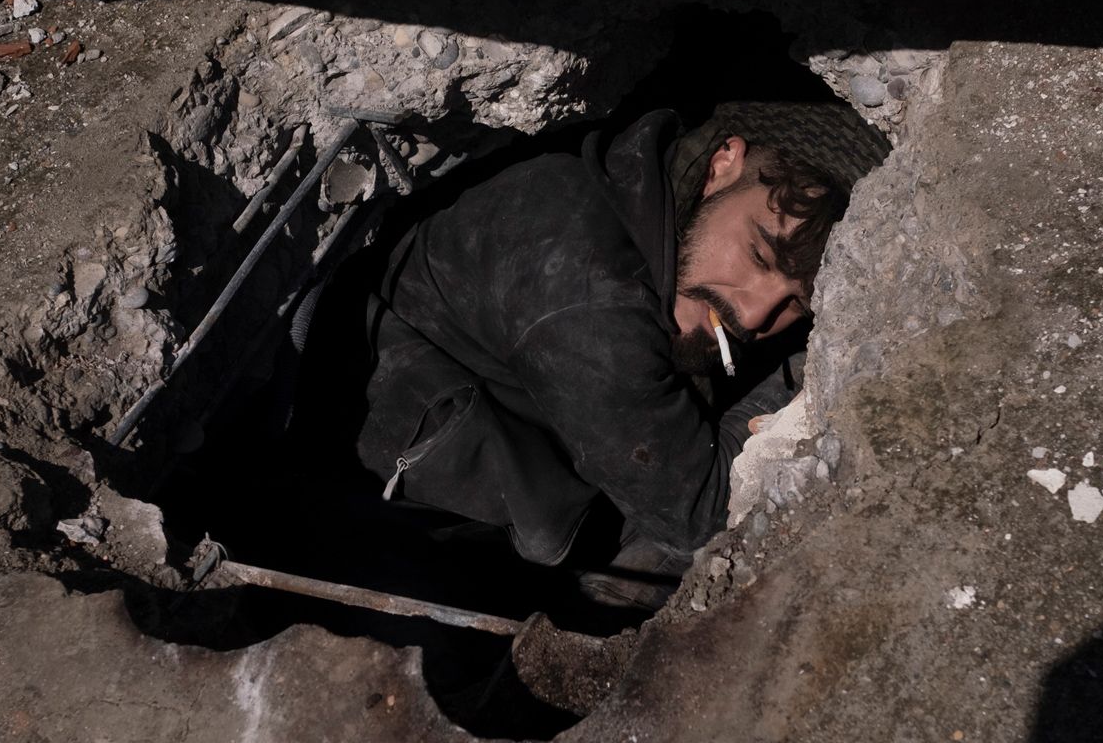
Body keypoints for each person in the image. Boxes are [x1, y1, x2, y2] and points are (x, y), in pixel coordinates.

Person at [303, 101, 886, 599]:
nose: (757, 316)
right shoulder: (590, 295)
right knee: (710, 551)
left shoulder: (635, 193)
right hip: (392, 518)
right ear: (722, 163)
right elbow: (703, 514)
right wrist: (811, 366)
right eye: (759, 254)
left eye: (798, 304)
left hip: (519, 440)